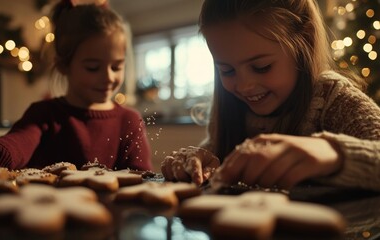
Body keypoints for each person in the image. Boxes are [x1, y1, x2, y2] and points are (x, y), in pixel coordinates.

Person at [161, 0, 380, 192]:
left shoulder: (332, 97)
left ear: (306, 39)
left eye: (261, 67)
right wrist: (196, 160)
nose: (245, 86)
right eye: (227, 71)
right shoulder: (228, 107)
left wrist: (334, 153)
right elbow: (211, 159)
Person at [0, 0, 153, 173]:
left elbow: (141, 177)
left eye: (117, 66)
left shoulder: (130, 121)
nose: (109, 77)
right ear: (64, 65)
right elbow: (13, 146)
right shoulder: (44, 115)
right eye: (93, 68)